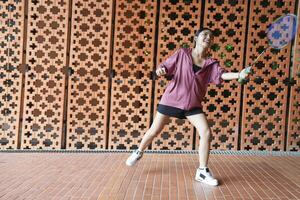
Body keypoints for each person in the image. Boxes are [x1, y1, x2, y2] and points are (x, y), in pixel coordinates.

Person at [125, 28, 250, 186]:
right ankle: (139, 151)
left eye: (211, 37)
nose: (208, 38)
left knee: (206, 132)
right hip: (171, 100)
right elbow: (164, 67)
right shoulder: (182, 54)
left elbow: (222, 75)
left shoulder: (211, 64)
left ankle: (202, 171)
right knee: (154, 131)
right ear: (196, 38)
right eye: (205, 35)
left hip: (192, 105)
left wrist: (239, 74)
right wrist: (160, 71)